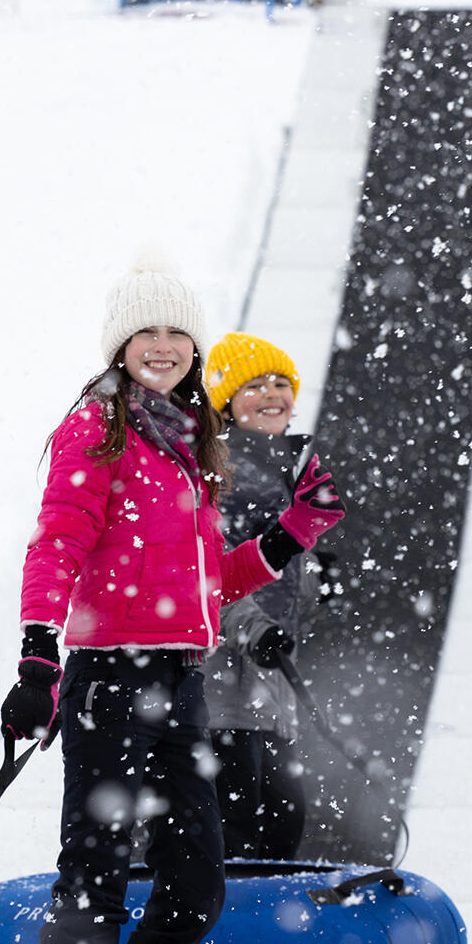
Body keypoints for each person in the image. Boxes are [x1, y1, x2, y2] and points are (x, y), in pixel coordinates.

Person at [0, 260, 346, 944]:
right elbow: (57, 540)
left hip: (181, 681)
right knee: (95, 869)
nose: (162, 345)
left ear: (195, 347)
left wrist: (288, 537)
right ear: (119, 345)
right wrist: (38, 655)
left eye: (177, 332)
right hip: (112, 679)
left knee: (196, 876)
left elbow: (204, 585)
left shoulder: (190, 445)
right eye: (145, 331)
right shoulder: (98, 427)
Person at [201, 332, 314, 859]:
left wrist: (314, 580)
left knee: (280, 823)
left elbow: (272, 575)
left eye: (280, 383)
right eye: (253, 385)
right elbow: (204, 574)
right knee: (241, 827)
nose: (272, 394)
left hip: (265, 694)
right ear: (225, 403)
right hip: (223, 692)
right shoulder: (222, 473)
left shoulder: (280, 469)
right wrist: (256, 630)